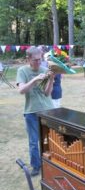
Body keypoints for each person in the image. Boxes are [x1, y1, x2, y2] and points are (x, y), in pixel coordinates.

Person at [16, 46, 55, 176]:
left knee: (51, 139)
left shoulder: (44, 70)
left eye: (40, 59)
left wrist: (51, 80)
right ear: (28, 59)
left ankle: (52, 163)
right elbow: (21, 90)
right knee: (34, 142)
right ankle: (36, 166)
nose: (39, 63)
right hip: (31, 111)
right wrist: (34, 79)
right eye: (36, 60)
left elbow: (47, 93)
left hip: (48, 110)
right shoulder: (22, 71)